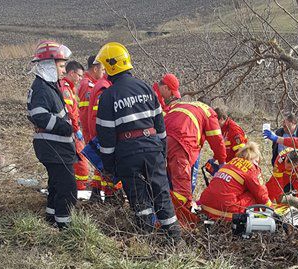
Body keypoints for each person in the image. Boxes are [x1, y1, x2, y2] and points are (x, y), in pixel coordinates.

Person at [94, 42, 181, 241]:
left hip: (127, 153)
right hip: (153, 149)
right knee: (161, 192)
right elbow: (161, 127)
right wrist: (162, 153)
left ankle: (145, 239)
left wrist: (109, 166)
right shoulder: (146, 88)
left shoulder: (108, 96)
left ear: (109, 67)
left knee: (138, 197)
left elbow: (106, 138)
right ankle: (175, 239)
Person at [27, 40, 76, 229]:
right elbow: (39, 115)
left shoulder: (47, 86)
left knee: (56, 185)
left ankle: (51, 219)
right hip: (53, 147)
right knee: (68, 188)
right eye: (61, 66)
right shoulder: (42, 88)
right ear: (49, 65)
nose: (63, 70)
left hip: (55, 147)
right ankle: (65, 227)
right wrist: (66, 128)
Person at [164, 99, 226, 226]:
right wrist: (222, 162)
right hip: (181, 142)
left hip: (160, 138)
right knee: (182, 188)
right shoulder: (209, 113)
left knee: (162, 179)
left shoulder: (181, 104)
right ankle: (183, 223)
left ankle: (161, 213)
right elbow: (217, 140)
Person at [199, 142, 271, 221]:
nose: (257, 165)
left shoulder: (229, 163)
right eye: (257, 161)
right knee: (253, 195)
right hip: (225, 212)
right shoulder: (251, 168)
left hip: (205, 207)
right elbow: (261, 194)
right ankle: (254, 222)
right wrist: (271, 210)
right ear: (252, 158)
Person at [59, 60, 90, 191]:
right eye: (79, 75)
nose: (80, 79)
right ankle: (80, 189)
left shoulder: (69, 88)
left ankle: (76, 187)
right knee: (81, 161)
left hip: (72, 131)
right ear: (71, 73)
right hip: (71, 131)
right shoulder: (65, 88)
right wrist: (77, 130)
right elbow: (69, 112)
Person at [78, 55, 105, 134]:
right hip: (90, 134)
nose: (104, 72)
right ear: (96, 69)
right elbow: (85, 114)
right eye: (103, 69)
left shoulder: (91, 84)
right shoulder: (88, 86)